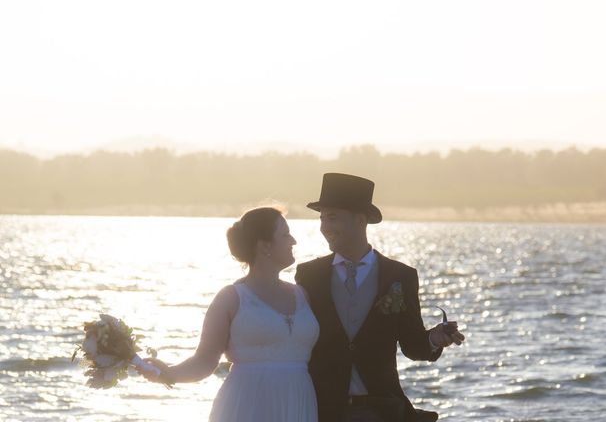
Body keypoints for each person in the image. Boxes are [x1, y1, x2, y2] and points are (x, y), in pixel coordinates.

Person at [295, 173, 465, 422]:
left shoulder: (400, 276)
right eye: (322, 218)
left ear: (360, 220)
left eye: (332, 217)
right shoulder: (309, 274)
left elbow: (412, 345)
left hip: (381, 410)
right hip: (322, 408)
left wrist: (434, 338)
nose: (324, 227)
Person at [140, 207, 320, 422]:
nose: (293, 241)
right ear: (265, 246)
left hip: (298, 401)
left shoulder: (302, 294)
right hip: (247, 404)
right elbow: (205, 360)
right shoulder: (232, 298)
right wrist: (169, 373)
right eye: (285, 234)